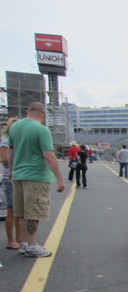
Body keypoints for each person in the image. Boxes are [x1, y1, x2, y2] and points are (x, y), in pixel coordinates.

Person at [8, 102, 65, 257]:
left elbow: (11, 152)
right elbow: (49, 155)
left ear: (28, 111)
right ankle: (32, 244)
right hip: (35, 176)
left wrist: (11, 172)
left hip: (19, 174)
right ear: (44, 115)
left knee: (21, 211)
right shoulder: (41, 129)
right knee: (34, 212)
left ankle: (24, 243)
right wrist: (59, 178)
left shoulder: (15, 127)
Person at [1, 118, 22, 249]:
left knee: (19, 211)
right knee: (12, 210)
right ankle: (11, 240)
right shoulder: (6, 142)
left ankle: (20, 239)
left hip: (19, 176)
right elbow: (4, 160)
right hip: (9, 179)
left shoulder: (18, 142)